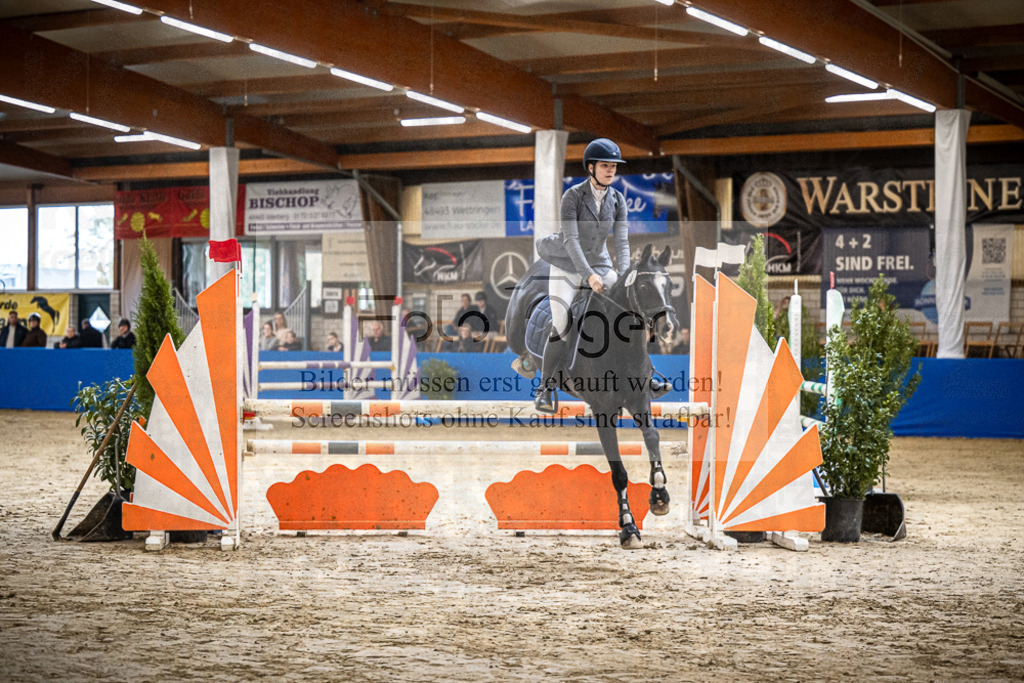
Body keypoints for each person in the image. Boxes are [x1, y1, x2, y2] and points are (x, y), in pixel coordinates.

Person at [532, 138, 632, 413]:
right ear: (591, 167)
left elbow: (622, 242)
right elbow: (572, 241)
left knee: (625, 310)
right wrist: (588, 276)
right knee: (562, 323)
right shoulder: (573, 196)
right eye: (605, 165)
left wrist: (622, 277)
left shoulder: (618, 199)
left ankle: (642, 375)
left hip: (600, 264)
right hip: (566, 264)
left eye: (613, 166)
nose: (610, 170)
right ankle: (544, 388)